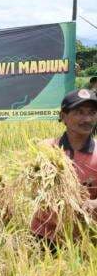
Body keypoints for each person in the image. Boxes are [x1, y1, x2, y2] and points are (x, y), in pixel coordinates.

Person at [30, 89, 97, 249]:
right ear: (63, 116)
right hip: (44, 236)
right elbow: (31, 189)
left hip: (86, 238)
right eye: (79, 112)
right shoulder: (45, 149)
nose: (87, 119)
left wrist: (94, 203)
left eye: (92, 112)